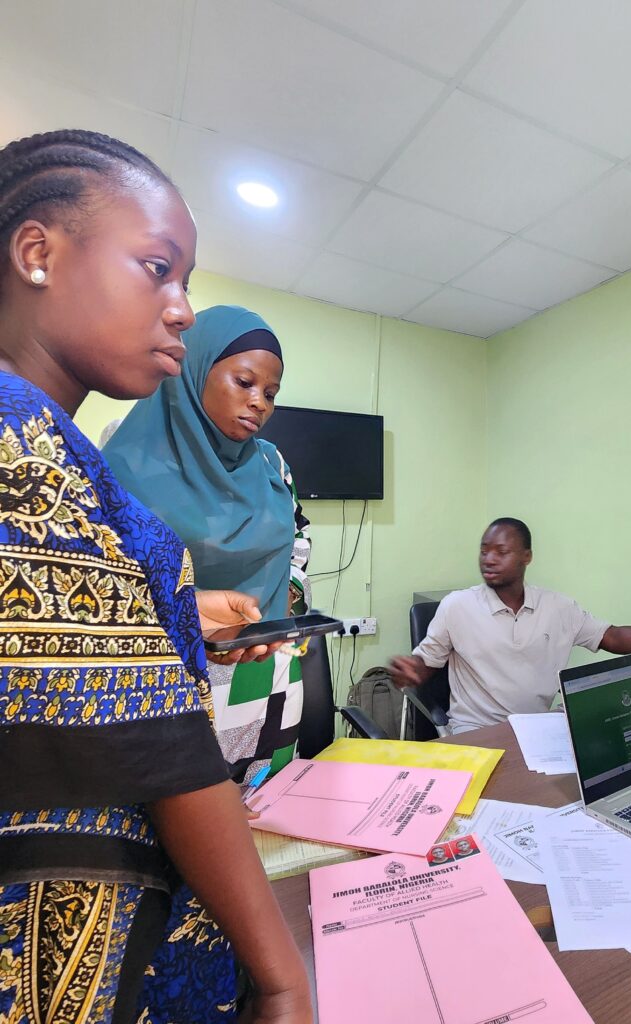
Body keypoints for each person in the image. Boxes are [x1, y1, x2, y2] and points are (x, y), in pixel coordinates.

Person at [0, 130, 310, 1023]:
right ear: (38, 253)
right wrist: (282, 975)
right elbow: (155, 744)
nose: (178, 307)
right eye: (156, 268)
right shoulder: (22, 439)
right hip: (85, 930)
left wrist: (179, 603)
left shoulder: (46, 437)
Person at [104, 304, 311, 783]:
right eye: (245, 382)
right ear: (196, 369)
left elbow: (298, 541)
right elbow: (108, 574)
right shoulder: (125, 451)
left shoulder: (271, 463)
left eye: (271, 393)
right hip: (170, 674)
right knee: (181, 819)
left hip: (266, 665)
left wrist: (281, 607)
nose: (260, 402)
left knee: (268, 818)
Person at [389, 517, 631, 733]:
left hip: (539, 730)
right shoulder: (456, 607)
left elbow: (616, 637)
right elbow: (425, 662)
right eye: (484, 550)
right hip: (476, 732)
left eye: (501, 551)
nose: (488, 558)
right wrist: (412, 670)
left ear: (526, 557)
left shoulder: (558, 607)